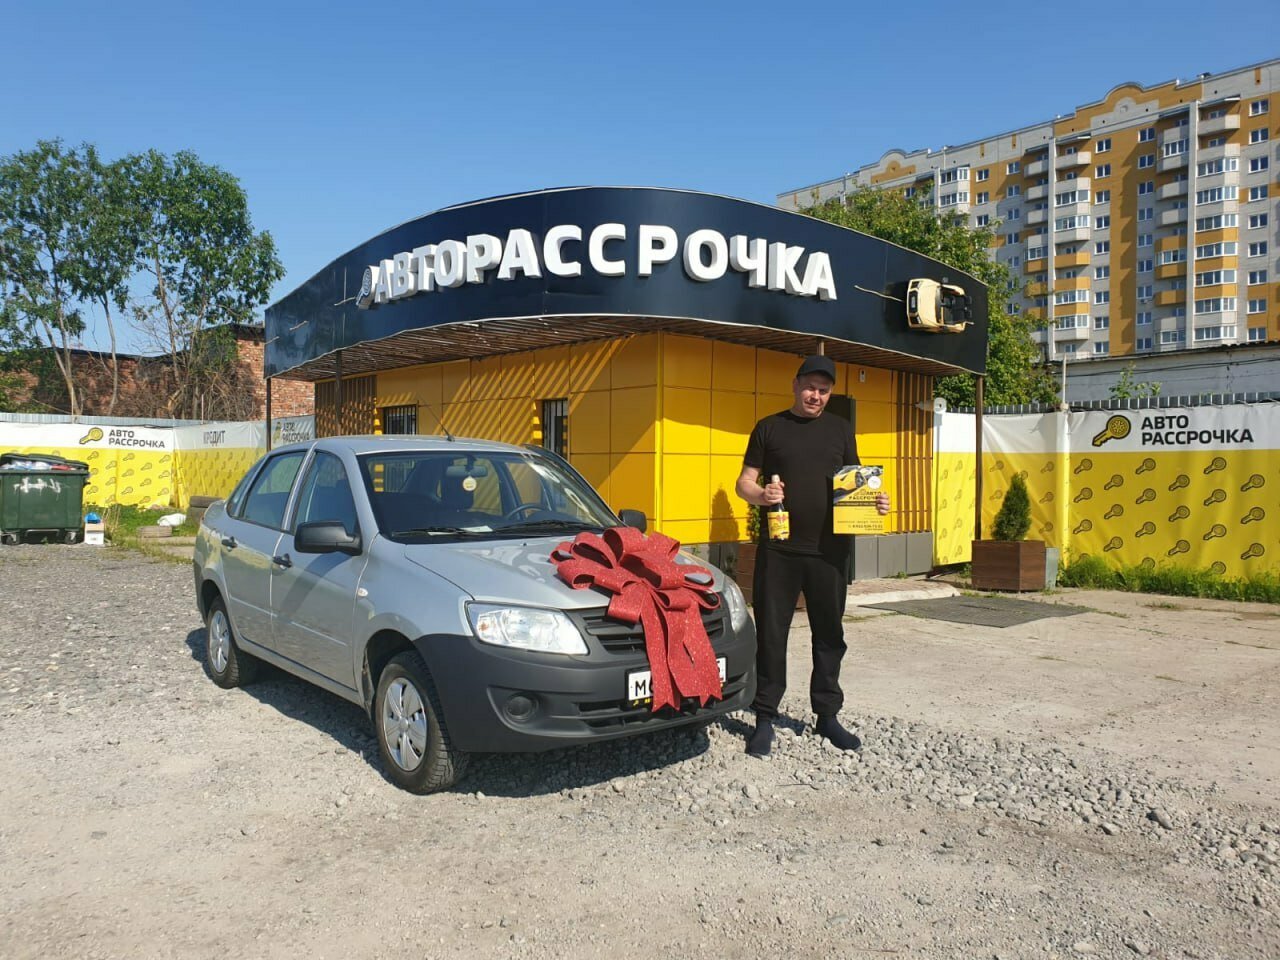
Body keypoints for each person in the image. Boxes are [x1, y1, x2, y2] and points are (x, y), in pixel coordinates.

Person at [734, 354, 890, 757]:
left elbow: (857, 484)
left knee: (830, 635)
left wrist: (877, 502)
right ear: (795, 384)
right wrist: (761, 495)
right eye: (810, 387)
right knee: (772, 635)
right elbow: (743, 483)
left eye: (823, 390)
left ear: (830, 393)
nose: (815, 396)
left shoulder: (841, 430)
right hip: (780, 551)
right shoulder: (769, 428)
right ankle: (764, 717)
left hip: (829, 553)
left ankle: (827, 715)